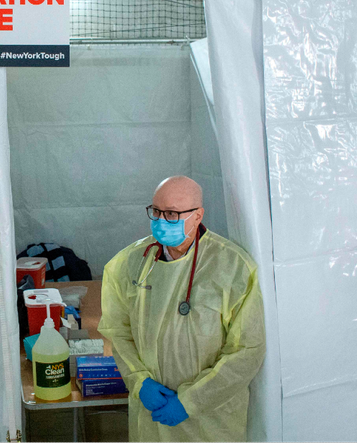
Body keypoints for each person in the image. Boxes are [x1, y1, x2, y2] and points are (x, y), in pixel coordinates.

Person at [98, 176, 266, 442]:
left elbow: (246, 352)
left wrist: (192, 401)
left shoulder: (233, 268)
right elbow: (118, 331)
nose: (161, 220)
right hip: (151, 416)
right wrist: (139, 381)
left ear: (198, 215)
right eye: (156, 211)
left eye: (172, 213)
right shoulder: (130, 263)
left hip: (210, 420)